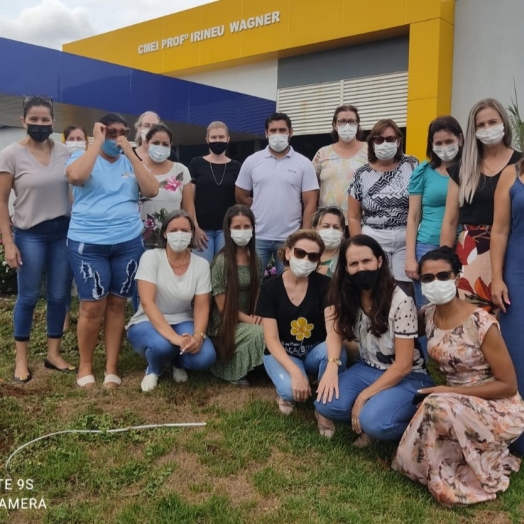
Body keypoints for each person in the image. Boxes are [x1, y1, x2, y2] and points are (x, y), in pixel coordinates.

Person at [393, 247, 524, 505]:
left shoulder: (480, 323)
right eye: (428, 278)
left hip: (498, 406)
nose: (435, 283)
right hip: (455, 402)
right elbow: (402, 337)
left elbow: (508, 386)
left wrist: (450, 392)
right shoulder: (428, 315)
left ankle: (448, 481)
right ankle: (425, 466)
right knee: (436, 403)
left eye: (443, 275)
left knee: (436, 403)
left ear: (457, 276)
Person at [66, 112, 159, 388]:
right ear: (100, 132)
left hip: (127, 242)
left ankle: (111, 367)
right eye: (111, 132)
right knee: (92, 307)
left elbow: (152, 189)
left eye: (122, 132)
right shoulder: (82, 158)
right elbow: (76, 177)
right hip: (88, 244)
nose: (117, 136)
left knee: (118, 304)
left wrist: (131, 154)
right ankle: (85, 366)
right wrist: (95, 142)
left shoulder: (130, 160)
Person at [315, 235, 433, 445]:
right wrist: (332, 367)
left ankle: (419, 423)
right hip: (368, 367)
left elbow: (404, 365)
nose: (361, 268)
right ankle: (379, 406)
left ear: (379, 261)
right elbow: (334, 331)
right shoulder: (346, 292)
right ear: (346, 268)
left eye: (366, 261)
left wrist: (363, 397)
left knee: (374, 422)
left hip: (409, 376)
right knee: (326, 403)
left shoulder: (401, 300)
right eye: (354, 263)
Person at [0, 95, 76, 382]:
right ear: (23, 122)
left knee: (58, 296)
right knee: (29, 296)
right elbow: (2, 200)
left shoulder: (66, 152)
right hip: (29, 234)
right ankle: (21, 359)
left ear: (53, 122)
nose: (40, 125)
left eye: (45, 120)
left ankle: (53, 354)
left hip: (62, 233)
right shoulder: (10, 154)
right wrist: (8, 242)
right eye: (34, 120)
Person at [256, 229, 347, 437]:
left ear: (318, 261)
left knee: (336, 353)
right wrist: (295, 373)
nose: (305, 260)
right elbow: (271, 339)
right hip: (283, 353)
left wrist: (333, 365)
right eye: (300, 253)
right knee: (290, 390)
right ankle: (287, 390)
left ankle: (322, 408)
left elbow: (333, 329)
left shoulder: (325, 285)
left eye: (313, 256)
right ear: (287, 253)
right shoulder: (270, 289)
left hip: (315, 351)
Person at [440, 98, 521, 313]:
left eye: (492, 122)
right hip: (471, 252)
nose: (487, 129)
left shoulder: (520, 164)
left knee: (509, 320)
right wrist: (444, 264)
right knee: (473, 320)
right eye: (480, 125)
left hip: (512, 249)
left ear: (504, 122)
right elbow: (449, 221)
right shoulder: (463, 169)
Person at [127, 210, 216, 392]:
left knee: (205, 356)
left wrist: (198, 336)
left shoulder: (201, 265)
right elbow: (147, 303)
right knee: (162, 346)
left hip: (183, 320)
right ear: (165, 233)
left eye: (185, 230)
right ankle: (154, 368)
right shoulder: (151, 257)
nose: (179, 234)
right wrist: (175, 338)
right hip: (146, 320)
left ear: (192, 233)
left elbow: (201, 305)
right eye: (174, 230)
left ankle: (177, 360)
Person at [236, 112, 319, 274]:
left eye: (282, 130)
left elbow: (310, 202)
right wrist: (260, 206)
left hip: (289, 238)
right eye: (273, 131)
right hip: (258, 236)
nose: (277, 134)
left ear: (291, 132)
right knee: (253, 285)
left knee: (288, 284)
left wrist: (304, 234)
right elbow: (241, 194)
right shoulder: (252, 161)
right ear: (266, 133)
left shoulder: (303, 163)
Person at [348, 119, 418, 294]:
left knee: (404, 293)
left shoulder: (412, 165)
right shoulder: (361, 174)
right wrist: (359, 248)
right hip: (374, 238)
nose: (384, 143)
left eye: (389, 139)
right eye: (378, 139)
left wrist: (411, 254)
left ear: (399, 141)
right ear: (372, 143)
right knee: (376, 291)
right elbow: (353, 216)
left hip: (406, 239)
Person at [405, 116, 464, 309]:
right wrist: (410, 258)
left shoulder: (471, 169)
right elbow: (413, 218)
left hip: (465, 247)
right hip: (427, 247)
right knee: (428, 308)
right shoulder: (423, 172)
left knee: (462, 305)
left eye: (449, 141)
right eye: (438, 143)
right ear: (431, 144)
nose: (444, 146)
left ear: (460, 139)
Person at [208, 205, 265, 386]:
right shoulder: (221, 262)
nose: (243, 231)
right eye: (237, 227)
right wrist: (251, 320)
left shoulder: (255, 258)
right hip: (225, 322)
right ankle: (230, 369)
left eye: (247, 227)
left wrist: (258, 315)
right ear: (229, 230)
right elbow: (222, 306)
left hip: (248, 316)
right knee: (261, 332)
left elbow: (256, 292)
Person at [491, 156, 524, 454]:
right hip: (517, 272)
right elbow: (500, 230)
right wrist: (497, 278)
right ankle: (515, 431)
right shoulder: (511, 174)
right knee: (516, 350)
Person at [189, 122, 240, 263]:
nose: (218, 141)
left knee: (222, 272)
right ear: (207, 140)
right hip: (202, 231)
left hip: (225, 230)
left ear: (228, 139)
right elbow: (189, 199)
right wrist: (195, 227)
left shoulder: (236, 167)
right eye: (214, 137)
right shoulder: (196, 164)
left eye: (221, 137)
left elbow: (239, 200)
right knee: (202, 271)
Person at [140, 124, 193, 249]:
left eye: (165, 144)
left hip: (173, 240)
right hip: (140, 241)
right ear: (147, 143)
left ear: (171, 145)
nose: (160, 147)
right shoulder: (137, 170)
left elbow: (188, 208)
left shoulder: (181, 170)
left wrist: (190, 233)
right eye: (156, 143)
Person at [313, 105, 367, 219]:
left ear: (357, 125)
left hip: (360, 222)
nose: (347, 125)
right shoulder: (322, 153)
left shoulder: (370, 152)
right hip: (328, 224)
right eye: (342, 121)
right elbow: (311, 188)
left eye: (351, 121)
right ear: (334, 125)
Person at [63, 125, 89, 331]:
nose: (76, 142)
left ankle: (84, 315)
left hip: (82, 228)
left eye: (80, 138)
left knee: (83, 277)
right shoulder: (58, 163)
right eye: (71, 138)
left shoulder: (90, 165)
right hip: (60, 224)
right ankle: (63, 320)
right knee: (63, 277)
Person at [312, 206, 345, 278]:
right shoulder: (305, 256)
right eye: (326, 226)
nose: (331, 231)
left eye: (336, 227)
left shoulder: (345, 259)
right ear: (314, 230)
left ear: (343, 232)